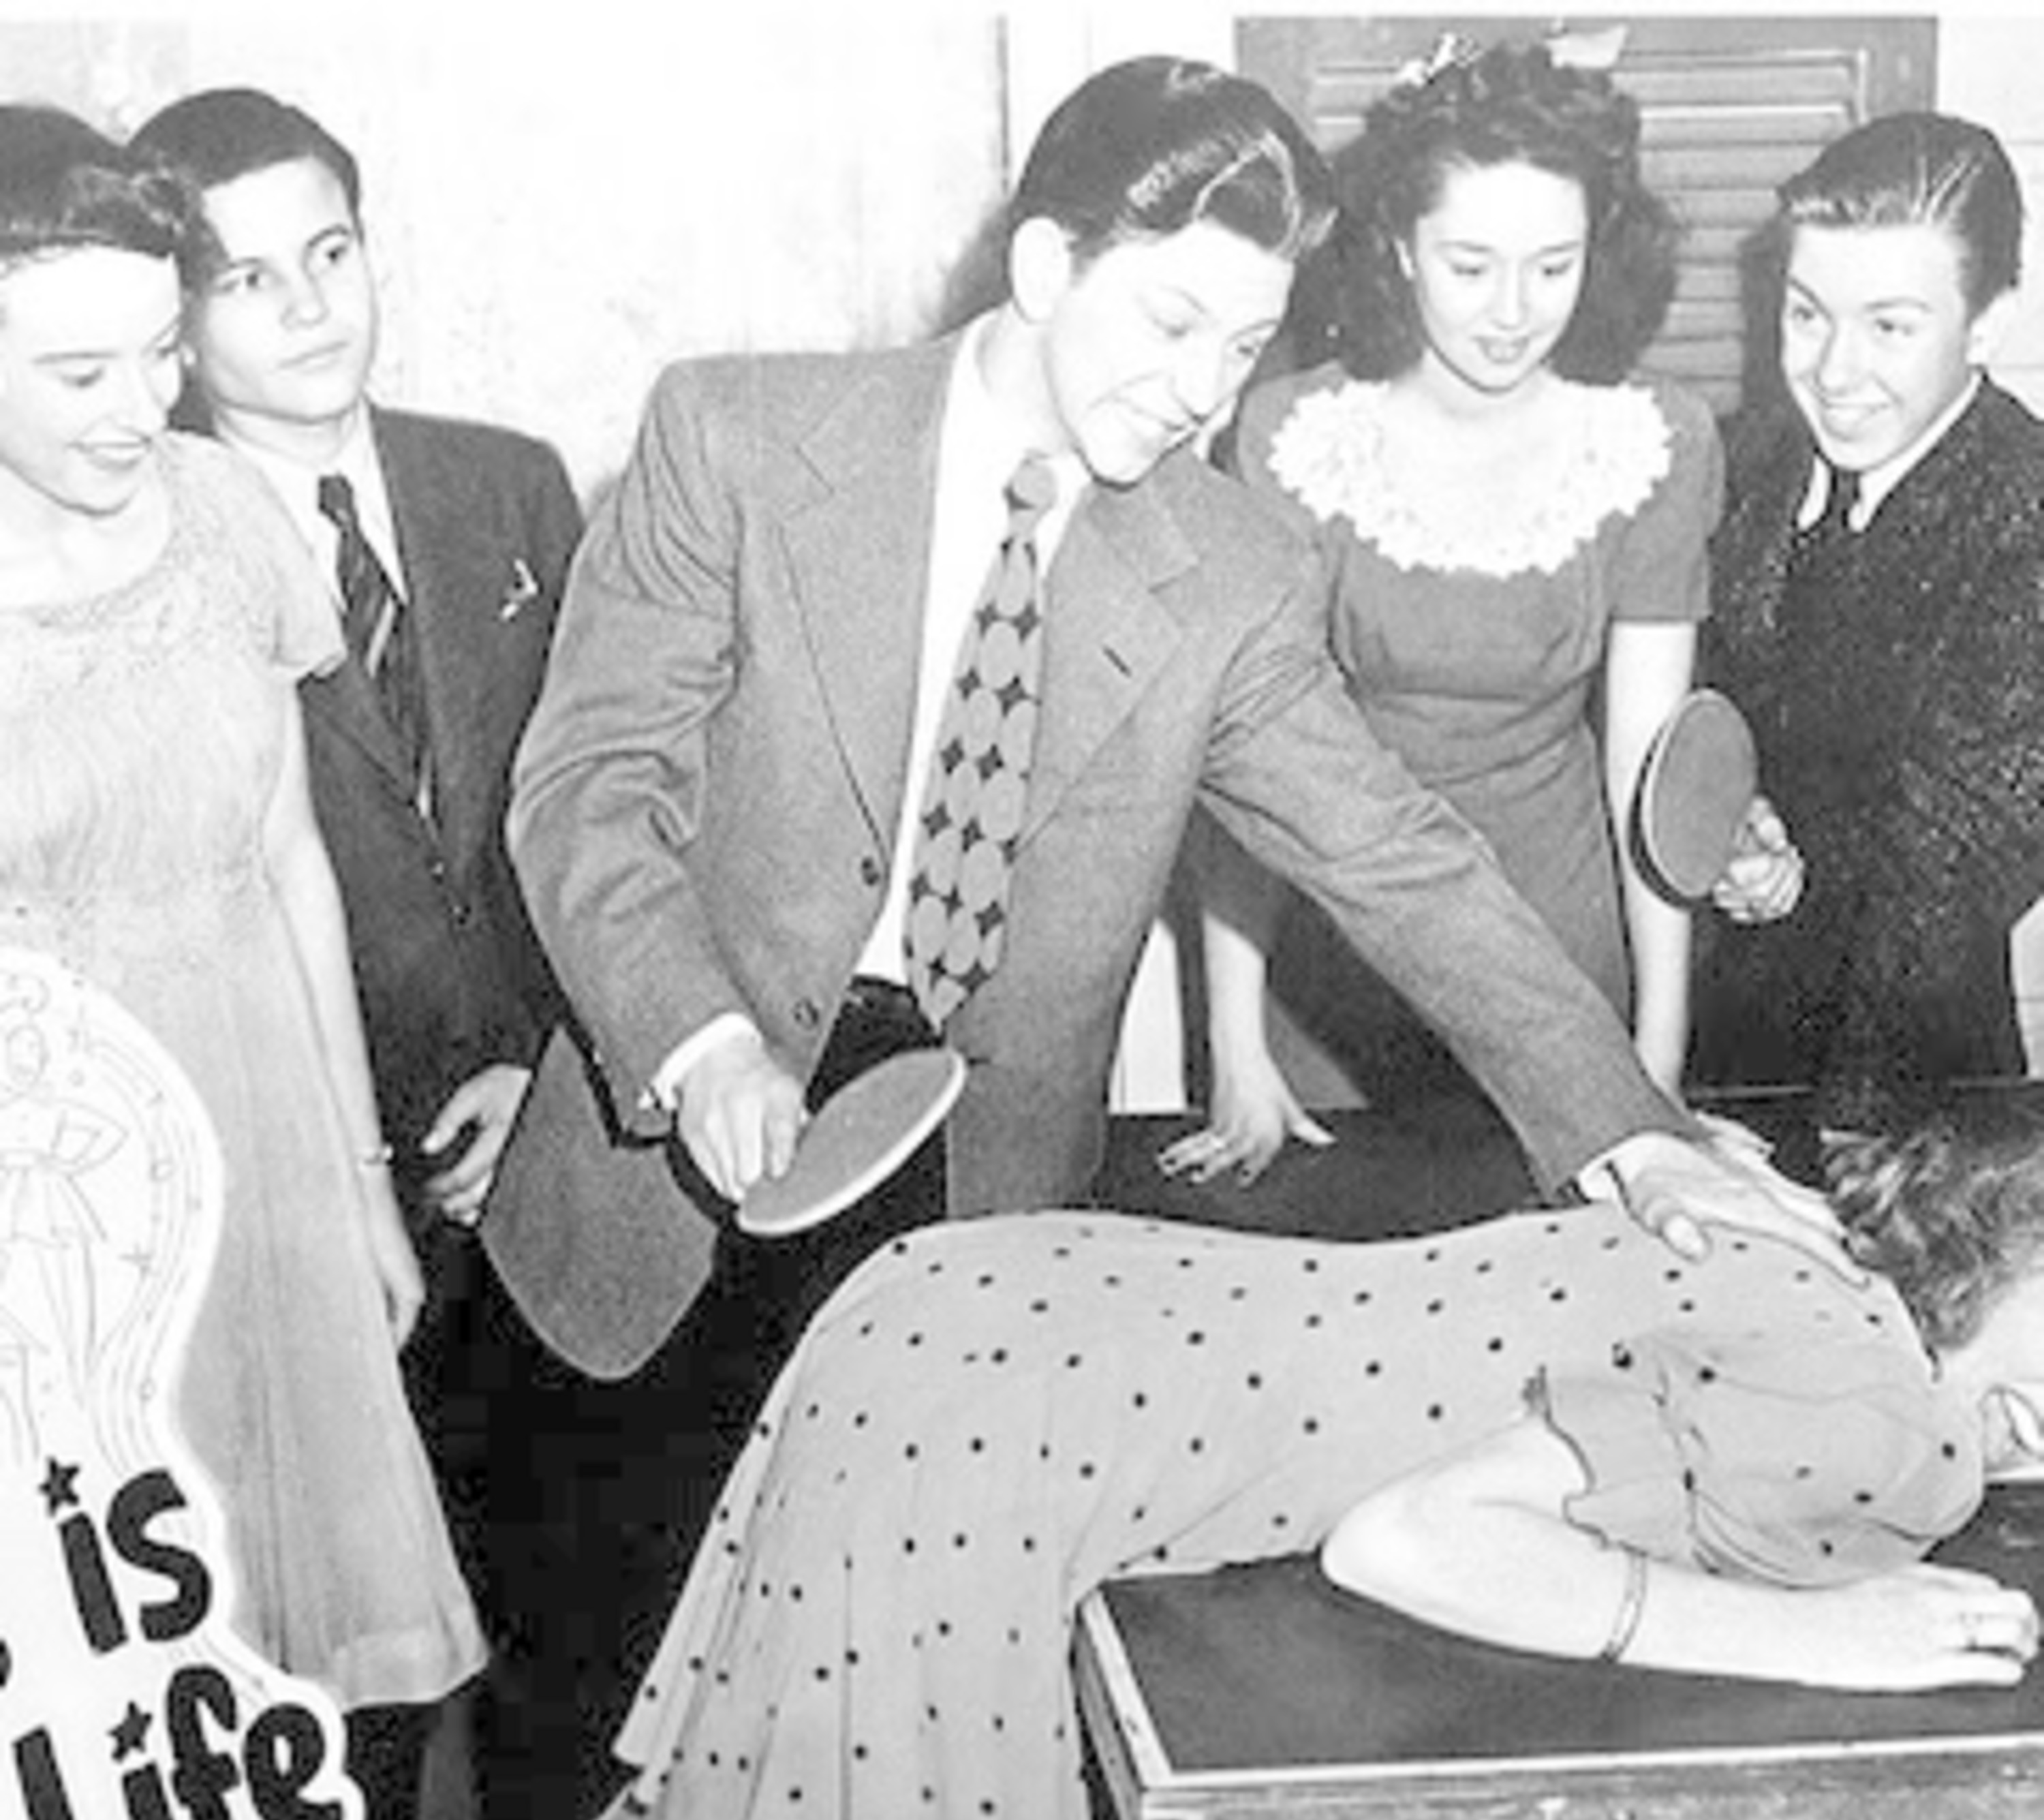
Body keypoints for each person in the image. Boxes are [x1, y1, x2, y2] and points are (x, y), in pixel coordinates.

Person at [483, 52, 1844, 1408]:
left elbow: (1400, 858)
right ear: (1044, 268)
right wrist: (701, 1041)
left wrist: (1631, 1131)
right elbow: (588, 786)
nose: (1205, 390)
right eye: (1172, 321)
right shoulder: (733, 440)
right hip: (662, 1166)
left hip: (983, 1207)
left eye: (1245, 348)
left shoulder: (1235, 572)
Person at [421, 1088, 2044, 1820]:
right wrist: (1823, 1644)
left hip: (963, 1313)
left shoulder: (1793, 1224)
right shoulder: (1888, 1422)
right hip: (1011, 1438)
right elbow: (1413, 1540)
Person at [0, 96, 482, 1820]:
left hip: (270, 1153)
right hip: (55, 1221)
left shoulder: (221, 511)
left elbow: (286, 854)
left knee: (333, 1685)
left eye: (156, 350)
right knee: (110, 1714)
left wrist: (356, 1188)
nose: (142, 405)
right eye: (78, 372)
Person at [128, 82, 589, 1820]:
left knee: (573, 1653)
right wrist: (363, 1153)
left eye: (331, 250)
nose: (311, 305)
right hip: (306, 1192)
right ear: (171, 316)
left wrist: (551, 1062)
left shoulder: (511, 486)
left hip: (552, 1156)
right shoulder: (143, 535)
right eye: (246, 277)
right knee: (349, 1702)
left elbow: (599, 804)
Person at [1167, 38, 1718, 1186]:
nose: (1515, 312)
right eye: (1471, 265)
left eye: (1554, 266)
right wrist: (1235, 1041)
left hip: (1558, 954)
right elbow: (1245, 764)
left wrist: (1657, 1054)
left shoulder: (1656, 442)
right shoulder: (1288, 436)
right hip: (1333, 963)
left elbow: (1650, 776)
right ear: (1399, 248)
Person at [1690, 110, 2044, 1135]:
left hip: (1902, 1097)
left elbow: (1945, 878)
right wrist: (1728, 814)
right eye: (1807, 314)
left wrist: (1840, 1157)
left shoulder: (2028, 516)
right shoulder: (1741, 460)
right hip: (1707, 1051)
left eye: (1890, 327)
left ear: (1987, 325)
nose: (1835, 373)